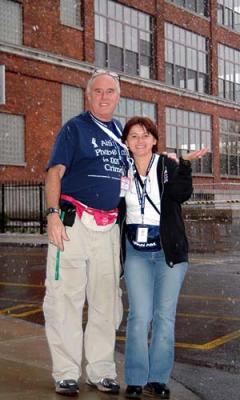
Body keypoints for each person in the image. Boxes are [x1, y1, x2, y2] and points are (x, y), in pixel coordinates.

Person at [43, 70, 129, 396]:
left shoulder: (123, 134)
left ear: (118, 96)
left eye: (110, 91)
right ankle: (66, 372)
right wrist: (52, 215)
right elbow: (55, 173)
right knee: (65, 298)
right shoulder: (74, 130)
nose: (104, 97)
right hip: (72, 221)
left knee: (107, 300)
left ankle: (101, 371)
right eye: (98, 91)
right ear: (88, 95)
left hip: (108, 228)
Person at [120, 116, 208, 399]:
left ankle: (157, 379)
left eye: (146, 135)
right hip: (136, 251)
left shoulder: (166, 166)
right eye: (133, 136)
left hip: (168, 250)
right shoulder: (122, 169)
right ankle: (135, 379)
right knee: (139, 315)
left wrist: (184, 165)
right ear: (126, 143)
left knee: (163, 317)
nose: (140, 140)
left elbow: (182, 193)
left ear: (155, 140)